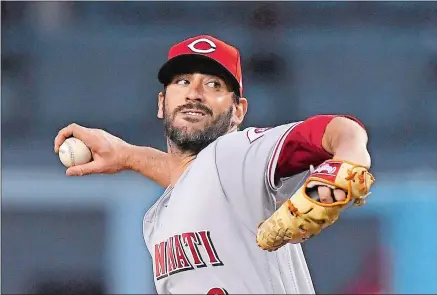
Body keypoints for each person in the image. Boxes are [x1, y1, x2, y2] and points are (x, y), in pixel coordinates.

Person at [54, 35, 372, 294]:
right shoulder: (156, 220)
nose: (194, 93)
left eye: (214, 85)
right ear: (162, 104)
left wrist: (347, 165)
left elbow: (341, 131)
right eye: (182, 81)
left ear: (238, 111)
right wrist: (126, 155)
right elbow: (191, 179)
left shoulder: (237, 153)